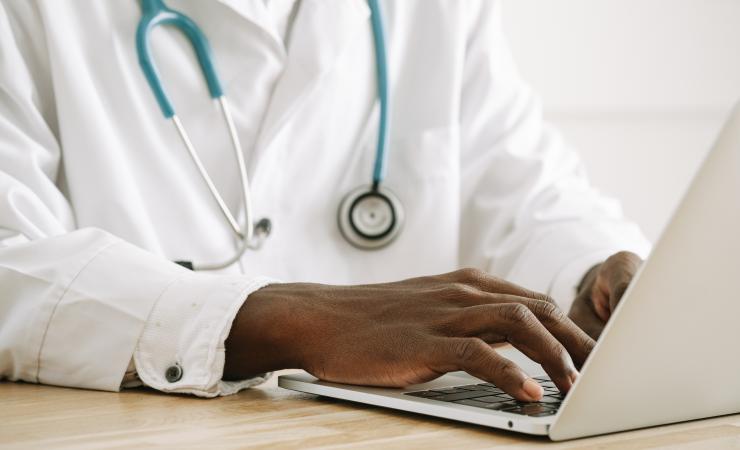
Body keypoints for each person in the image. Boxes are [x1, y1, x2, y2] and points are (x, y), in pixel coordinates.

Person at [0, 0, 649, 401]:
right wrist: (279, 323)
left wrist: (591, 274)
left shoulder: (437, 11)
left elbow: (521, 180)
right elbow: (10, 267)